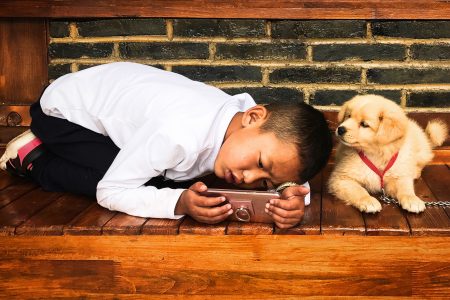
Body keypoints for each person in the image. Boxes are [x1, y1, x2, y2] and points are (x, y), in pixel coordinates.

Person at [0, 62, 332, 229]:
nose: (249, 178)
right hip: (62, 114)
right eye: (260, 164)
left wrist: (294, 197)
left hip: (119, 104)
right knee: (151, 183)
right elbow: (111, 192)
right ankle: (34, 157)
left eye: (265, 182)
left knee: (173, 176)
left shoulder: (254, 125)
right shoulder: (179, 135)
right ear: (253, 117)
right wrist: (180, 204)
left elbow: (286, 162)